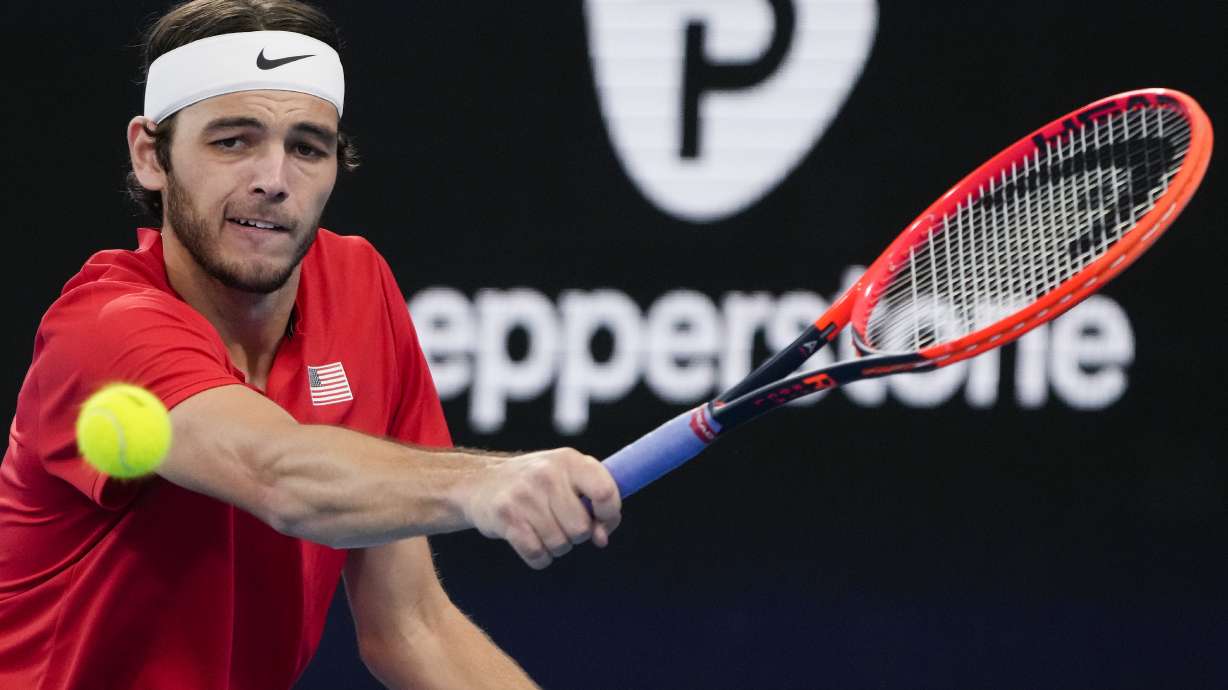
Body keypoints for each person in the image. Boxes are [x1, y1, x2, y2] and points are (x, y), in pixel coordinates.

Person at [0, 1, 622, 688]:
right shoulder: (104, 328)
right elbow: (282, 477)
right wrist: (487, 481)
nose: (273, 180)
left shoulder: (358, 286)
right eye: (232, 141)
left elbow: (411, 625)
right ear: (152, 155)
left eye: (306, 146)